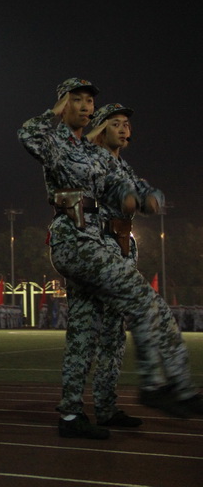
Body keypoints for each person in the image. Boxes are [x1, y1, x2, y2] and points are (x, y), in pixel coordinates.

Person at [17, 77, 194, 440]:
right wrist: (55, 110)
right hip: (76, 242)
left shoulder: (95, 153)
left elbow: (128, 184)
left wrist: (144, 197)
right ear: (64, 104)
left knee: (84, 334)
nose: (85, 106)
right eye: (76, 100)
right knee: (144, 299)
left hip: (97, 242)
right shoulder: (53, 142)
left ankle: (71, 415)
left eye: (88, 101)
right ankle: (162, 386)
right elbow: (27, 135)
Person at [72, 103, 202, 429]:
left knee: (114, 339)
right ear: (100, 128)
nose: (124, 129)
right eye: (116, 123)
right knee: (142, 313)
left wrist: (150, 197)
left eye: (127, 124)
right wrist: (130, 197)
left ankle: (107, 407)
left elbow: (145, 191)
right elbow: (109, 192)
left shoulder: (123, 166)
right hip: (96, 254)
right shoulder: (91, 161)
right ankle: (157, 386)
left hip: (118, 253)